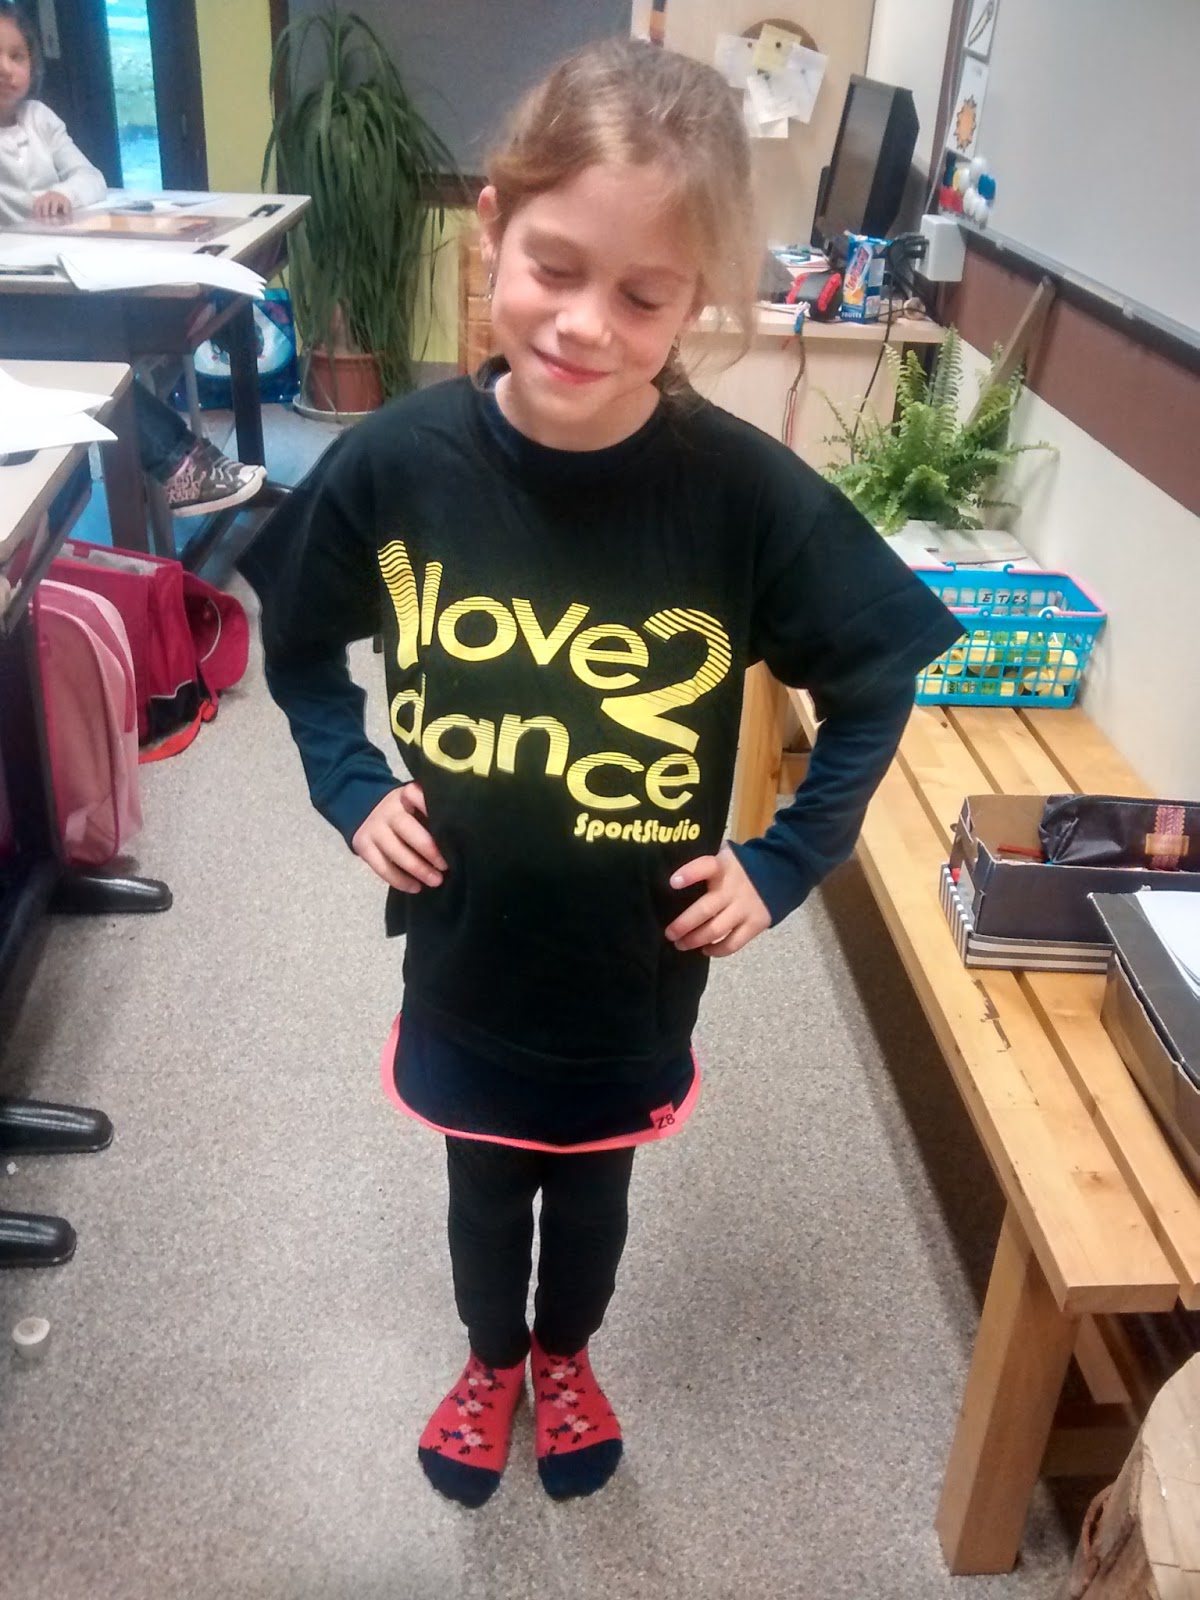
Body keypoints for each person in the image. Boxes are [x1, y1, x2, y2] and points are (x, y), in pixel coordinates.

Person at [253, 39, 962, 1510]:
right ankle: (488, 1359)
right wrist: (349, 782)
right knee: (479, 1182)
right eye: (554, 268)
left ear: (696, 300)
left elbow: (876, 675)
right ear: (494, 226)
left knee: (589, 1193)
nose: (584, 324)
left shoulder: (741, 495)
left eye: (643, 297)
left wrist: (785, 858)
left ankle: (565, 1352)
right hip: (466, 945)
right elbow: (303, 642)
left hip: (632, 963)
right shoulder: (397, 463)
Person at [0, 1, 265, 516]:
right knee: (91, 355)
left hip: (62, 276)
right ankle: (180, 463)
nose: (6, 69)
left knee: (110, 344)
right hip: (17, 301)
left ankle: (180, 462)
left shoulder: (40, 120)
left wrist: (64, 195)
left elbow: (90, 178)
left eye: (17, 56)